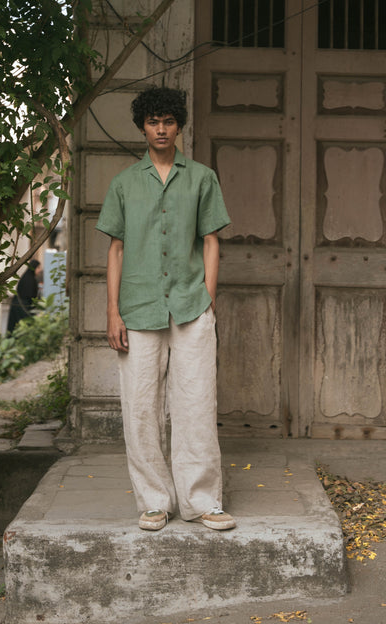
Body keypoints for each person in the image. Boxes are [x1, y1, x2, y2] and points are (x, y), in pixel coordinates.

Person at [96, 87, 236, 532]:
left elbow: (211, 240)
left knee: (196, 401)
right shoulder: (124, 183)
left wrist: (208, 297)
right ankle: (155, 500)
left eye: (169, 121)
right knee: (140, 406)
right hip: (137, 308)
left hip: (191, 306)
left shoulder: (201, 177)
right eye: (153, 121)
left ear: (179, 126)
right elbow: (116, 249)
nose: (161, 129)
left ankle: (202, 500)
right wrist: (112, 312)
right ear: (142, 126)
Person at [6, 259, 41, 333]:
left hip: (18, 306)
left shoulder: (27, 277)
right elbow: (30, 296)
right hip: (22, 308)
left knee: (15, 330)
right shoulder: (29, 280)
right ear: (33, 268)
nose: (39, 270)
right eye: (38, 268)